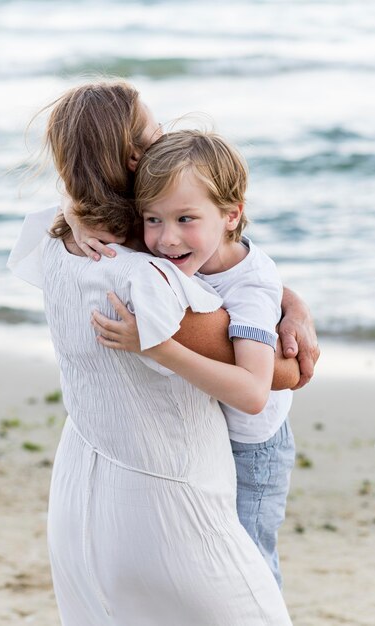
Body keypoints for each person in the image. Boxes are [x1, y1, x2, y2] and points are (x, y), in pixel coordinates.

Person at [91, 129, 297, 587]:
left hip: (252, 449)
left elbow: (252, 393)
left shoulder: (250, 288)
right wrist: (73, 215)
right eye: (152, 219)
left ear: (231, 215)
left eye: (186, 218)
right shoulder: (188, 250)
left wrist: (157, 345)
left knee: (247, 565)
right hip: (205, 436)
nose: (165, 239)